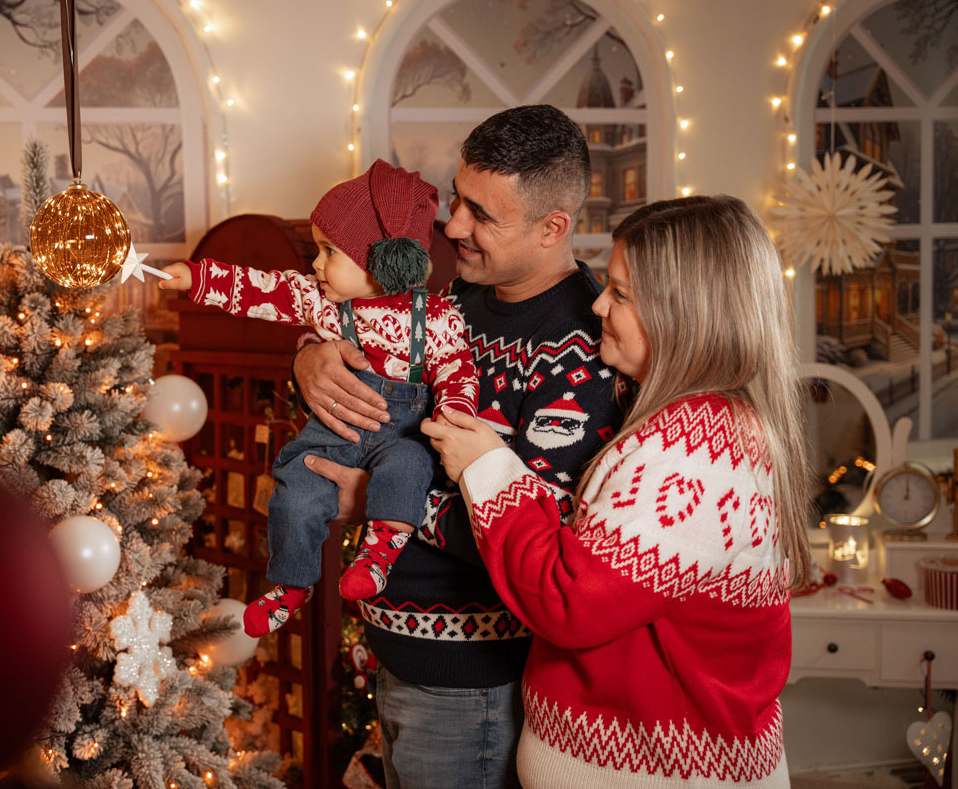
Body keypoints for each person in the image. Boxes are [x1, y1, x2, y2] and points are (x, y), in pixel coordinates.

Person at [423, 195, 812, 787]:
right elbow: (606, 558)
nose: (599, 303)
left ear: (686, 315)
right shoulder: (697, 428)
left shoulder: (691, 453)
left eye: (622, 294)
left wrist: (487, 469)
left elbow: (571, 601)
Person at [294, 105, 622, 788]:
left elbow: (542, 535)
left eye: (482, 214)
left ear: (552, 227)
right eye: (457, 199)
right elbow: (361, 344)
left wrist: (381, 501)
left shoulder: (581, 350)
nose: (453, 226)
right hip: (399, 651)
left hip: (470, 682)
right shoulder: (455, 300)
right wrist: (311, 358)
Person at [158, 159, 479, 637]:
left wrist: (453, 414)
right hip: (330, 436)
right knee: (295, 493)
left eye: (329, 251)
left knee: (408, 468)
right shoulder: (320, 301)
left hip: (401, 435)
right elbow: (258, 290)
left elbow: (457, 368)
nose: (315, 263)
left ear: (382, 258)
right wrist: (196, 277)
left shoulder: (436, 317)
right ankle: (291, 586)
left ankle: (377, 555)